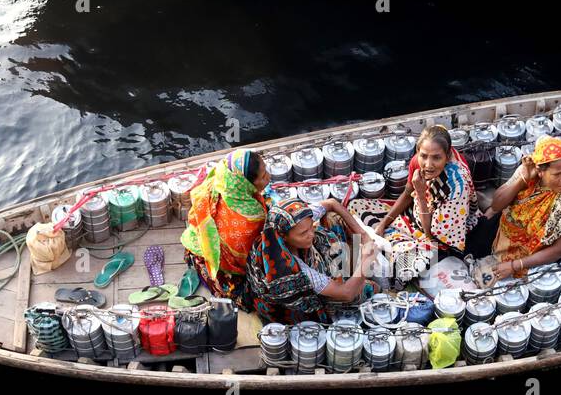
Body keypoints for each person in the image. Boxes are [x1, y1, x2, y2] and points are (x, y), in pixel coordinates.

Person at [348, 124, 479, 279]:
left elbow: (432, 235)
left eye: (436, 157)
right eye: (424, 156)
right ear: (418, 152)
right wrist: (383, 224)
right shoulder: (418, 162)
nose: (428, 165)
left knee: (404, 266)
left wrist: (422, 195)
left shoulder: (456, 188)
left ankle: (395, 246)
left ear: (448, 154)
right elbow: (408, 193)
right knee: (354, 205)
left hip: (442, 236)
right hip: (413, 216)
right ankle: (391, 239)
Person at [467, 135, 561, 281]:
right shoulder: (528, 171)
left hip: (534, 253)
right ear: (540, 171)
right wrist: (522, 180)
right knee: (471, 246)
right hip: (504, 232)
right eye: (557, 174)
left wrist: (515, 265)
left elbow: (559, 250)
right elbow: (497, 205)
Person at [243, 197, 376, 324]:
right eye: (303, 233)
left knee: (333, 218)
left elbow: (331, 203)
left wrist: (363, 234)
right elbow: (347, 294)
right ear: (283, 236)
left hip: (304, 256)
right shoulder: (293, 270)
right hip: (287, 309)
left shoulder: (291, 222)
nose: (311, 234)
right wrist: (365, 261)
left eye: (311, 226)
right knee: (367, 289)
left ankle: (347, 274)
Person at [181, 149, 270, 299]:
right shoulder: (251, 217)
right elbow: (245, 259)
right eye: (263, 177)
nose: (268, 177)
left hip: (199, 239)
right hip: (223, 262)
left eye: (266, 170)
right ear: (245, 183)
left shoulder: (220, 178)